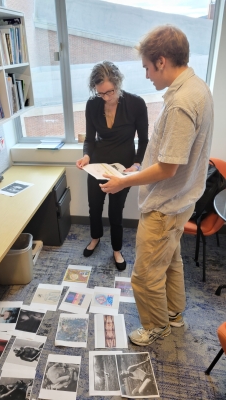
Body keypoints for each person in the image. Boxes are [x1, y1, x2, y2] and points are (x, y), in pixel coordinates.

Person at [100, 25, 214, 345]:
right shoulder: (197, 88)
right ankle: (174, 315)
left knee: (145, 274)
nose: (148, 75)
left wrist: (124, 180)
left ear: (161, 61)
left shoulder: (180, 102)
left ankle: (155, 326)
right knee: (170, 260)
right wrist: (138, 168)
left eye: (148, 68)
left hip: (166, 203)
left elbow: (167, 167)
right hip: (182, 198)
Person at [76, 61, 148, 271]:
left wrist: (136, 164)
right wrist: (86, 156)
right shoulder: (93, 105)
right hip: (97, 164)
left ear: (118, 83)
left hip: (122, 168)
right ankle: (95, 237)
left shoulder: (136, 104)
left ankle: (117, 250)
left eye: (110, 92)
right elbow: (89, 139)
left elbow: (143, 140)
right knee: (94, 207)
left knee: (116, 211)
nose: (106, 97)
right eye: (101, 93)